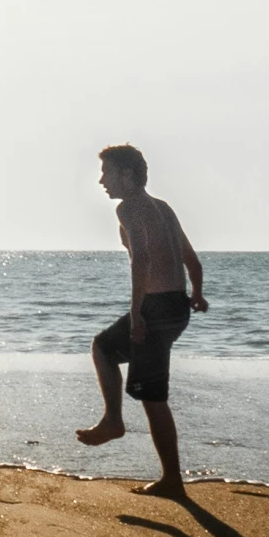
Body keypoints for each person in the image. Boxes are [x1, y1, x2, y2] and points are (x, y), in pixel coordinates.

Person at [74, 143, 207, 497]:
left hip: (156, 309)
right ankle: (169, 476)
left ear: (127, 175)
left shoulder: (129, 208)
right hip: (176, 307)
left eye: (107, 172)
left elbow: (142, 260)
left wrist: (136, 314)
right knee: (147, 389)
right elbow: (191, 260)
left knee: (109, 353)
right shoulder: (163, 208)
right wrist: (197, 293)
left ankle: (118, 425)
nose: (102, 180)